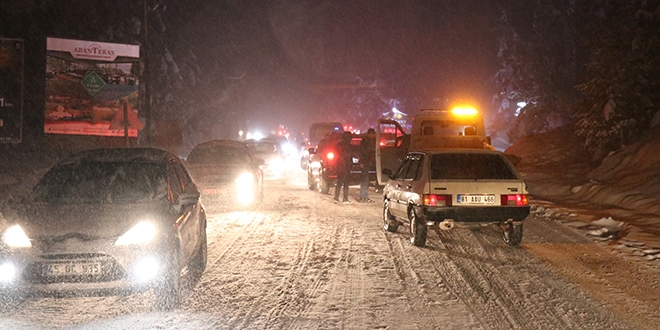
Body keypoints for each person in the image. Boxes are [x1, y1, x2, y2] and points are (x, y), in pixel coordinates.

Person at [334, 131, 354, 204]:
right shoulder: (348, 146)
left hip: (340, 166)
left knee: (339, 182)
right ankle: (344, 198)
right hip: (345, 166)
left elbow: (337, 155)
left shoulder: (339, 145)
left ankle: (336, 197)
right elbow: (350, 156)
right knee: (345, 183)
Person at [358, 128, 376, 203]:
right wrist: (361, 162)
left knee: (366, 180)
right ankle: (363, 196)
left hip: (368, 162)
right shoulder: (365, 142)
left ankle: (365, 196)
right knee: (364, 180)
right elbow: (362, 152)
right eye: (372, 134)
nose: (373, 136)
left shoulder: (371, 141)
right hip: (365, 162)